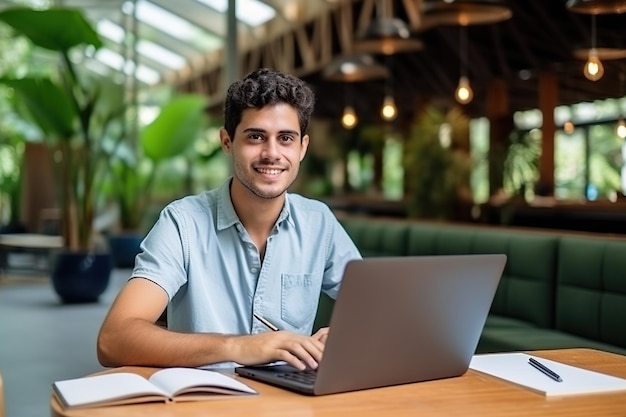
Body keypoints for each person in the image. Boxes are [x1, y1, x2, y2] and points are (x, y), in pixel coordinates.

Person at [97, 68, 361, 371]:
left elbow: (381, 308)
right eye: (255, 137)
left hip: (292, 404)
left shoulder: (319, 223)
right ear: (226, 141)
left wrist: (346, 334)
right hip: (207, 404)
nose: (271, 153)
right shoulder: (183, 224)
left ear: (302, 148)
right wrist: (237, 346)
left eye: (285, 138)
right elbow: (113, 339)